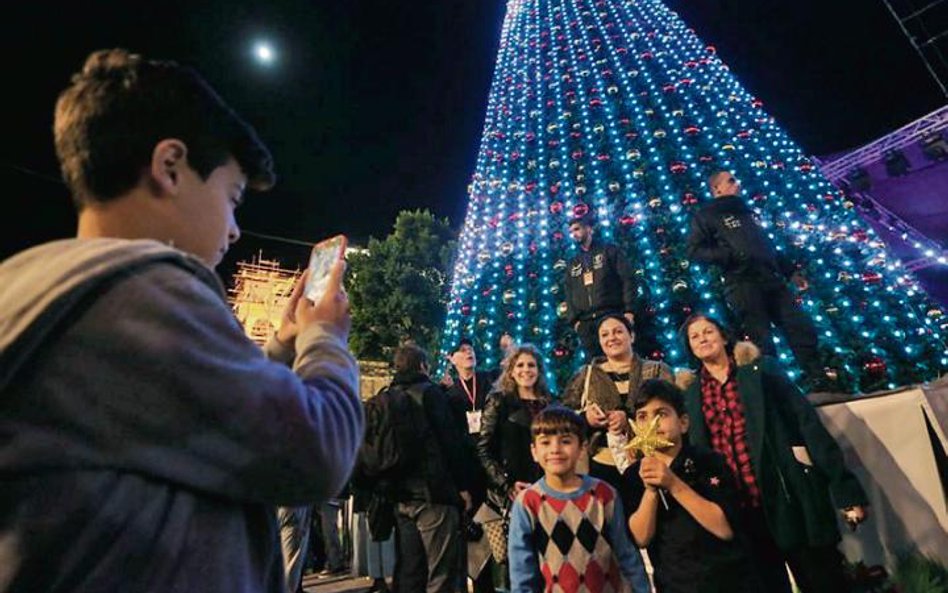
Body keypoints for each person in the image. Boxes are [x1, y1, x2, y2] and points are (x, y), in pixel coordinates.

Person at [0, 48, 364, 592]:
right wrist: (325, 339)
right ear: (170, 167)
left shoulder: (38, 285)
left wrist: (282, 351)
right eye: (232, 198)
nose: (236, 228)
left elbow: (190, 416)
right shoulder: (143, 287)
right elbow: (315, 453)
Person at [678, 313, 869, 593]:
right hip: (740, 513)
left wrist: (845, 490)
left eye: (708, 331)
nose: (702, 339)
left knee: (821, 579)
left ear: (723, 335)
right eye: (694, 336)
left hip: (786, 497)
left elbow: (807, 425)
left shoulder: (761, 371)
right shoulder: (691, 393)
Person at [686, 171, 831, 391]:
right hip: (742, 283)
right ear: (717, 189)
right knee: (761, 340)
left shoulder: (748, 213)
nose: (737, 184)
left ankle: (818, 378)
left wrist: (790, 272)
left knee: (799, 325)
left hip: (772, 280)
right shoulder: (707, 215)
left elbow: (767, 246)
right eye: (731, 181)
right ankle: (774, 389)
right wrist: (730, 256)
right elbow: (695, 250)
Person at [625, 379, 759, 593]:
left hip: (728, 580)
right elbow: (641, 538)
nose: (652, 423)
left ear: (684, 422)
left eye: (661, 414)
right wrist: (651, 491)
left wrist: (673, 483)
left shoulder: (708, 461)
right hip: (674, 584)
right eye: (642, 416)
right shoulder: (634, 476)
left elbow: (724, 529)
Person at [507, 405, 650, 593]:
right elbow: (522, 572)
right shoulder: (528, 503)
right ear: (534, 451)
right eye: (545, 442)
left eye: (565, 441)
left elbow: (627, 555)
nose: (555, 449)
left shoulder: (604, 494)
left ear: (582, 447)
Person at [561, 314, 673, 515]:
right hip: (601, 466)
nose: (611, 338)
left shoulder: (657, 370)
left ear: (631, 336)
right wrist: (586, 418)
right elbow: (564, 418)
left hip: (649, 463)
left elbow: (670, 414)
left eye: (618, 331)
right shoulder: (585, 375)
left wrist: (628, 421)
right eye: (605, 334)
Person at [386, 344, 473, 593]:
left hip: (400, 496)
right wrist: (463, 486)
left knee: (410, 570)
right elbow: (450, 444)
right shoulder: (430, 394)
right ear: (423, 366)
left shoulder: (389, 394)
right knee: (441, 572)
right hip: (433, 494)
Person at [475, 344, 552, 586]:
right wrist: (505, 484)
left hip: (546, 492)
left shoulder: (549, 403)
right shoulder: (499, 401)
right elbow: (483, 448)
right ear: (510, 370)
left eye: (531, 365)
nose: (526, 370)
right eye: (520, 365)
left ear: (539, 369)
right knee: (513, 566)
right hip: (508, 497)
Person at [442, 337, 499, 593]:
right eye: (462, 351)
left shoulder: (488, 381)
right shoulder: (449, 394)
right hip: (469, 471)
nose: (468, 354)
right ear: (451, 359)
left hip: (494, 464)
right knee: (476, 533)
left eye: (471, 350)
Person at [564, 213, 637, 358]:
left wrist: (629, 310)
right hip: (585, 323)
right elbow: (568, 291)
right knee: (596, 366)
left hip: (611, 314)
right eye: (571, 232)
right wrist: (575, 321)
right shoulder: (573, 262)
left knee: (619, 358)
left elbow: (627, 278)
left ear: (589, 229)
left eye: (577, 229)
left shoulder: (609, 251)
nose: (574, 234)